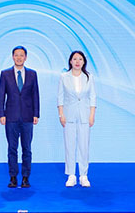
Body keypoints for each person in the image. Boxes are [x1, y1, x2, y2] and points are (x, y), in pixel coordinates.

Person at [0, 46, 40, 188]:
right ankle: (13, 177)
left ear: (26, 57)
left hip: (28, 117)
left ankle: (26, 177)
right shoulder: (5, 74)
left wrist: (36, 114)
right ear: (12, 57)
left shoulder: (32, 74)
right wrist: (1, 114)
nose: (19, 58)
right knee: (12, 148)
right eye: (16, 55)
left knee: (27, 148)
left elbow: (35, 95)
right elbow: (1, 96)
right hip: (11, 117)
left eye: (21, 55)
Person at [57, 50, 96, 187]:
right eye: (75, 59)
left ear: (84, 62)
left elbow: (92, 97)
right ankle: (71, 175)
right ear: (70, 61)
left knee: (84, 146)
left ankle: (83, 175)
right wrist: (61, 114)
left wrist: (92, 115)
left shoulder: (89, 77)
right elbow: (60, 97)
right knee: (69, 145)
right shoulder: (64, 77)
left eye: (80, 59)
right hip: (69, 115)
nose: (77, 61)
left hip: (85, 115)